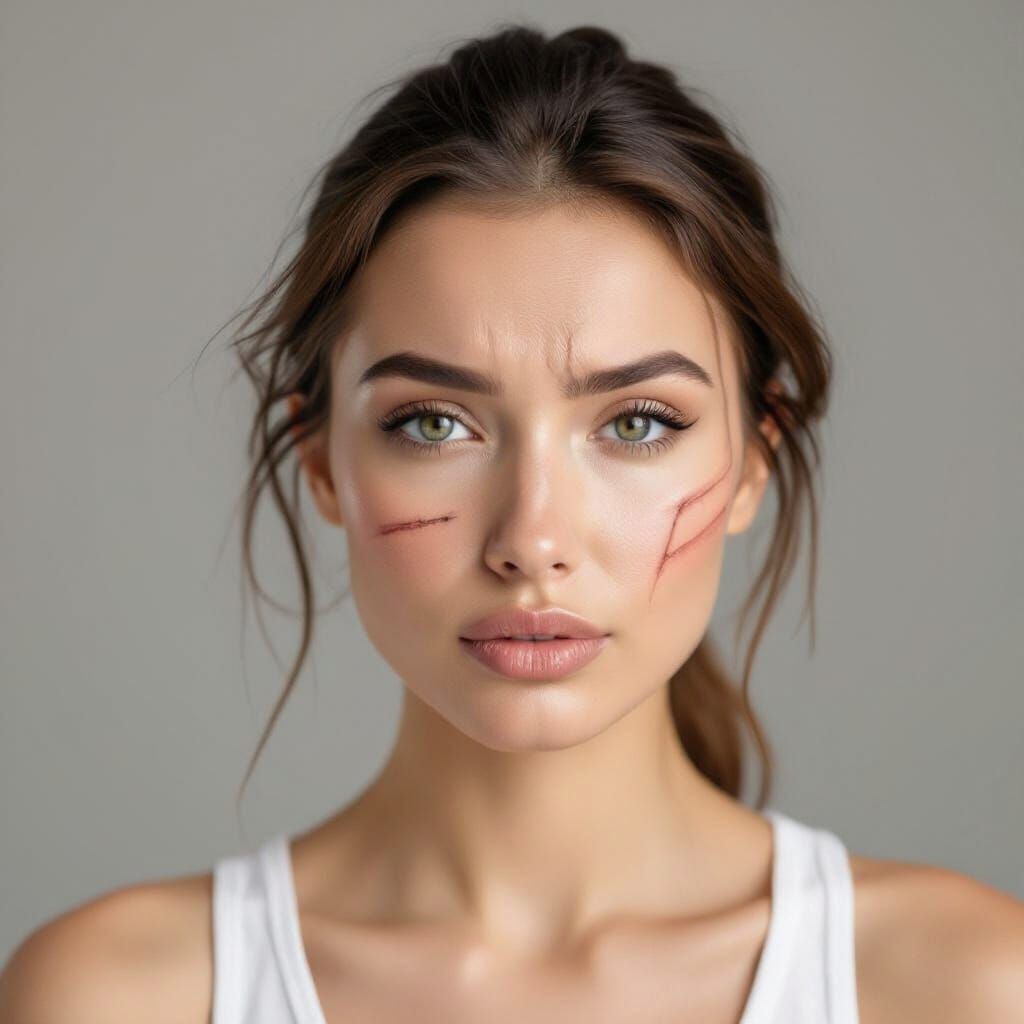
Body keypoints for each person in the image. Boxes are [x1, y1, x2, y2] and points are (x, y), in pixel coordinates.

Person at [3, 21, 1022, 1024]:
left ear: (754, 457)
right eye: (433, 423)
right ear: (320, 458)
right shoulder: (118, 999)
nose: (533, 540)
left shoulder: (964, 990)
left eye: (636, 422)